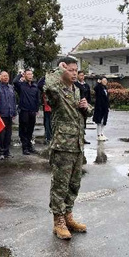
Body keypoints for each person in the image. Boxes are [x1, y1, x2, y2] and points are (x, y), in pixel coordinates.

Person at [44, 56, 92, 240]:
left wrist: (86, 107)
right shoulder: (56, 90)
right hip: (63, 146)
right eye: (70, 70)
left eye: (75, 70)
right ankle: (58, 222)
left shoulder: (77, 91)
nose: (74, 73)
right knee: (60, 186)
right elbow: (48, 85)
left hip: (77, 145)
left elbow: (87, 112)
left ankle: (68, 216)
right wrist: (58, 69)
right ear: (63, 71)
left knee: (74, 184)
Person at [13, 69, 40, 155]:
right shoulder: (21, 86)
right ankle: (24, 147)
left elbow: (37, 99)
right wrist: (20, 74)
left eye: (31, 74)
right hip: (24, 111)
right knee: (23, 129)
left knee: (30, 130)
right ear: (25, 76)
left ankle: (29, 145)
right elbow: (15, 81)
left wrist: (37, 109)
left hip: (32, 111)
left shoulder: (35, 86)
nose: (30, 76)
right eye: (28, 74)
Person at [0, 71, 16, 160]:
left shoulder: (11, 87)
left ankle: (7, 151)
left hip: (9, 114)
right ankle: (1, 152)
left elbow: (14, 100)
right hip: (1, 114)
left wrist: (14, 112)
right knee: (1, 135)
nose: (6, 77)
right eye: (4, 76)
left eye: (7, 76)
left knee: (8, 134)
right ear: (0, 77)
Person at [75, 70, 92, 145]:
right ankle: (77, 138)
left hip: (85, 106)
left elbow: (89, 96)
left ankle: (82, 137)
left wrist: (88, 105)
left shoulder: (86, 85)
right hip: (78, 106)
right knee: (78, 123)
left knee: (84, 123)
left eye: (83, 75)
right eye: (80, 75)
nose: (82, 77)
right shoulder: (75, 84)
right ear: (77, 76)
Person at [93, 76, 110, 141]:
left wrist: (108, 106)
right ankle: (98, 135)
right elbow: (95, 89)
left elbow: (107, 98)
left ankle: (102, 134)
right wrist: (98, 83)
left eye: (106, 80)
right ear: (101, 81)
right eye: (103, 80)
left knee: (104, 121)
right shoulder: (99, 88)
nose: (105, 82)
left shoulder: (105, 88)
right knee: (99, 122)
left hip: (105, 107)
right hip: (99, 107)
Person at [37, 76, 53, 145]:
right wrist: (46, 76)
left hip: (53, 108)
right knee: (47, 123)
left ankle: (50, 137)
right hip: (47, 107)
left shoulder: (54, 86)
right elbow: (39, 84)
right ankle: (48, 137)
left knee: (50, 123)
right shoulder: (45, 87)